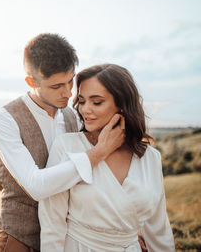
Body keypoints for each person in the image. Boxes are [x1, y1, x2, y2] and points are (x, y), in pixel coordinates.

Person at [0, 34, 125, 252]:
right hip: (18, 239)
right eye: (56, 86)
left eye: (71, 81)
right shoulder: (2, 119)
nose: (69, 93)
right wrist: (99, 152)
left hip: (67, 239)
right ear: (31, 82)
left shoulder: (74, 116)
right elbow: (35, 186)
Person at [39, 64, 175, 251]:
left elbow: (159, 228)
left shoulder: (150, 158)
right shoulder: (67, 146)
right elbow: (52, 224)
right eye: (82, 101)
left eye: (97, 102)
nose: (85, 110)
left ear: (122, 104)